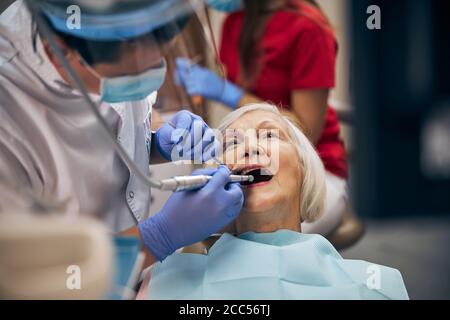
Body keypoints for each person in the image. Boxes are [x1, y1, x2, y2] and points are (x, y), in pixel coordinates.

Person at [0, 0, 244, 266]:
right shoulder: (10, 120)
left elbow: (105, 143)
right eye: (133, 77)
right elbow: (38, 277)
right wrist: (157, 237)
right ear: (61, 52)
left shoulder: (118, 33)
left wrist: (157, 145)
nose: (153, 77)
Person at [138, 103, 408, 300]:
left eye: (269, 135)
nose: (250, 148)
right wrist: (160, 235)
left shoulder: (379, 286)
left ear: (305, 170)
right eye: (232, 143)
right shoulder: (164, 281)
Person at [175, 0, 350, 236]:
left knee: (266, 230)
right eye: (232, 142)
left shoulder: (309, 29)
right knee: (209, 234)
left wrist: (227, 92)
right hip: (260, 165)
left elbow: (306, 132)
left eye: (268, 135)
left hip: (318, 162)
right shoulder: (236, 22)